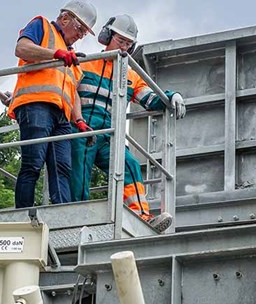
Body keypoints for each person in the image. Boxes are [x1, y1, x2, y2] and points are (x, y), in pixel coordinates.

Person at [69, 14, 187, 233]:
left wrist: (172, 95)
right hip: (83, 127)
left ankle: (142, 215)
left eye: (128, 44)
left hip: (111, 133)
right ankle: (77, 219)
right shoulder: (84, 62)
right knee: (79, 170)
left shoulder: (130, 74)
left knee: (130, 164)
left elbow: (150, 99)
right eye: (120, 41)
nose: (123, 48)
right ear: (107, 37)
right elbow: (65, 89)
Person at [7, 0, 98, 209]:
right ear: (65, 18)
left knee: (62, 168)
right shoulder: (42, 26)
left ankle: (61, 216)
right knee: (33, 164)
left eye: (84, 33)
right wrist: (55, 54)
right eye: (80, 28)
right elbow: (22, 48)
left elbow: (72, 90)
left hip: (61, 116)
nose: (80, 35)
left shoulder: (71, 55)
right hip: (35, 105)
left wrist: (80, 120)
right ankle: (23, 214)